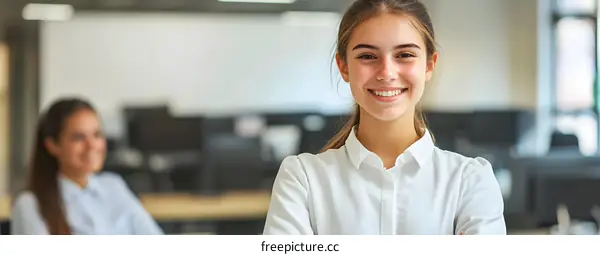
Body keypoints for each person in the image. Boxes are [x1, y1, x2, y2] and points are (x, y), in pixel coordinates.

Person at [263, 0, 506, 235]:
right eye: (367, 56)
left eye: (405, 55)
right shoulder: (302, 179)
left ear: (429, 65)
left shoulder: (470, 181)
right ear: (344, 66)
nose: (387, 73)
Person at [11, 98, 163, 235]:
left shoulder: (114, 186)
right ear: (53, 145)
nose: (92, 146)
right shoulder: (30, 205)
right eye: (78, 137)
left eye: (97, 135)